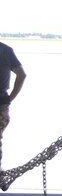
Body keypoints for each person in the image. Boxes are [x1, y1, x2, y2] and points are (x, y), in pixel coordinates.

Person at [0, 42, 27, 171]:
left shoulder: (5, 50)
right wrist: (9, 99)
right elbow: (21, 75)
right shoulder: (5, 50)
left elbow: (22, 75)